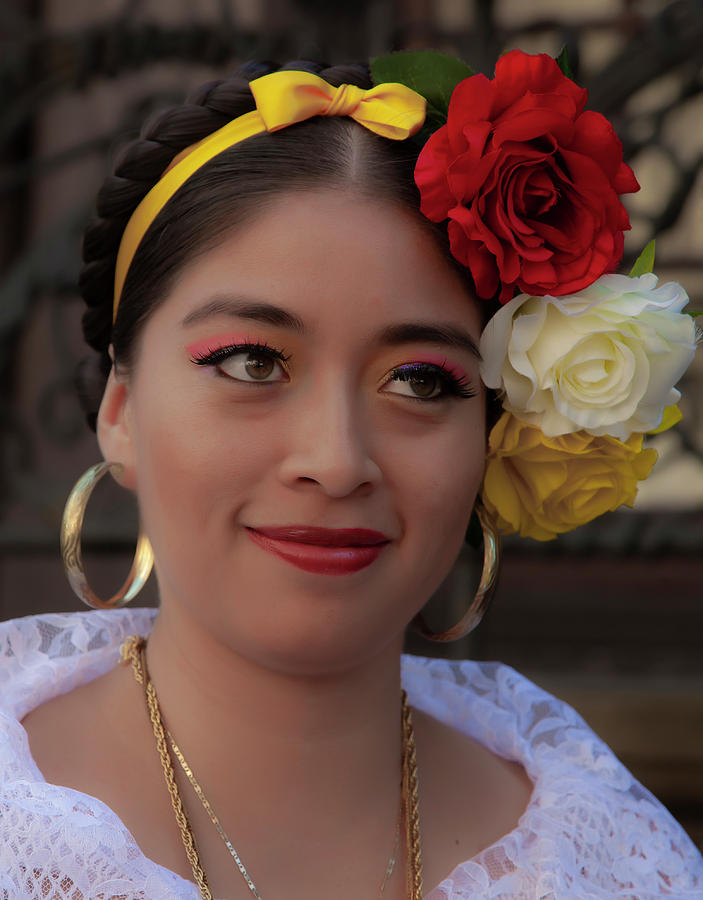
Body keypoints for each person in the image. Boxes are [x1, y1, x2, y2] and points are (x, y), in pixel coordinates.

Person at [1, 51, 701, 900]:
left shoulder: (604, 862)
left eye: (420, 381)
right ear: (120, 408)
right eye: (252, 362)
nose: (335, 462)